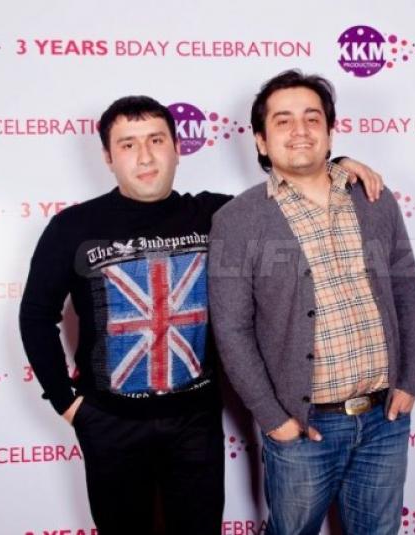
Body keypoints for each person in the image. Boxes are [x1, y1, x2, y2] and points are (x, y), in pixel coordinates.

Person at [19, 94, 384, 534]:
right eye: (128, 144)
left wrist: (335, 164)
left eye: (156, 140)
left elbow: (293, 195)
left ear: (177, 148)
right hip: (110, 424)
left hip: (194, 425)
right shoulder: (73, 227)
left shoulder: (218, 215)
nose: (145, 156)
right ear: (108, 157)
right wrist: (68, 404)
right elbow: (36, 315)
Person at [209, 70, 415, 535]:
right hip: (303, 428)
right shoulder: (237, 220)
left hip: (385, 419)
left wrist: (410, 380)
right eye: (283, 121)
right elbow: (232, 329)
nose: (300, 130)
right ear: (261, 141)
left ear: (330, 131)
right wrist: (274, 420)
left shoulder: (374, 197)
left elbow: (406, 292)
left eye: (312, 118)